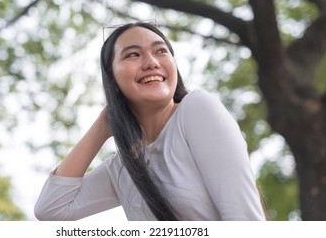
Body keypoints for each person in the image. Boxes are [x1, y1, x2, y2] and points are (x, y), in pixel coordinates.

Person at [34, 22, 266, 221]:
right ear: (112, 78)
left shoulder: (196, 109)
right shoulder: (122, 167)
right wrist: (103, 124)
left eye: (161, 51)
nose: (151, 62)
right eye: (133, 54)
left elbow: (244, 220)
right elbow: (51, 209)